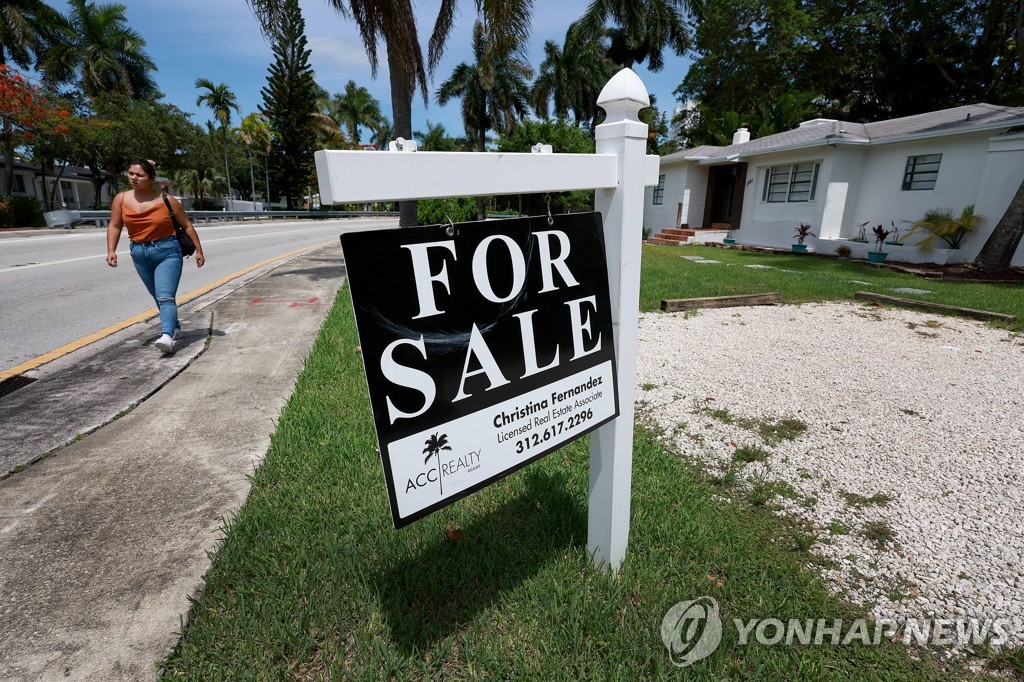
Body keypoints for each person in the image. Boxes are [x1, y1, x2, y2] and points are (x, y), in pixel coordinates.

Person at [105, 159, 205, 354]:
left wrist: (199, 251)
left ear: (151, 179)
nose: (133, 178)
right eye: (131, 173)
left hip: (167, 251)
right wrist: (111, 250)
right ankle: (175, 327)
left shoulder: (166, 200)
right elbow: (115, 225)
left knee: (166, 296)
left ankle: (167, 335)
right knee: (156, 295)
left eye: (139, 175)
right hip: (139, 252)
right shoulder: (121, 199)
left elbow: (187, 225)